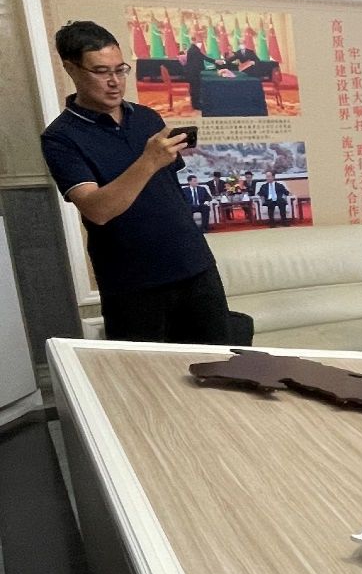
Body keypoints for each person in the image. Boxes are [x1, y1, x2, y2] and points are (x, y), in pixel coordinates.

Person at [40, 21, 229, 344]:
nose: (115, 82)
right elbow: (98, 210)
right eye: (101, 72)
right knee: (145, 371)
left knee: (220, 361)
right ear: (71, 69)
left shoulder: (146, 118)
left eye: (120, 70)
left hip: (194, 265)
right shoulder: (61, 137)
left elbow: (168, 192)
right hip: (133, 282)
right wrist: (148, 160)